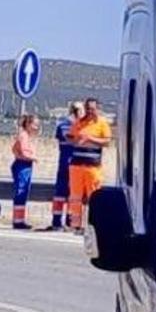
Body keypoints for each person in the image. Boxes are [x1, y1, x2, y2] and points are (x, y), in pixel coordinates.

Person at [67, 97, 112, 231]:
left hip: (93, 167)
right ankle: (75, 225)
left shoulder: (102, 124)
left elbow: (107, 142)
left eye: (92, 109)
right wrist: (76, 140)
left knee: (94, 196)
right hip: (77, 165)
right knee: (75, 197)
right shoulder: (79, 122)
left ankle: (93, 224)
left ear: (98, 109)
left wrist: (90, 139)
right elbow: (71, 137)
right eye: (88, 108)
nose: (90, 111)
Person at [50, 102, 84, 229]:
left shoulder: (61, 124)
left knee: (60, 192)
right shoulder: (81, 126)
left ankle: (56, 221)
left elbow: (60, 139)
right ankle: (71, 221)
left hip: (63, 161)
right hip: (75, 162)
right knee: (73, 193)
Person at [10, 114, 41, 230]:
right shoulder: (23, 136)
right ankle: (18, 221)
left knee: (23, 192)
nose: (36, 128)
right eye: (34, 125)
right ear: (28, 124)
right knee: (21, 191)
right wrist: (32, 158)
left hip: (25, 165)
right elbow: (22, 151)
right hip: (22, 165)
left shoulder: (26, 136)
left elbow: (14, 149)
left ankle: (20, 219)